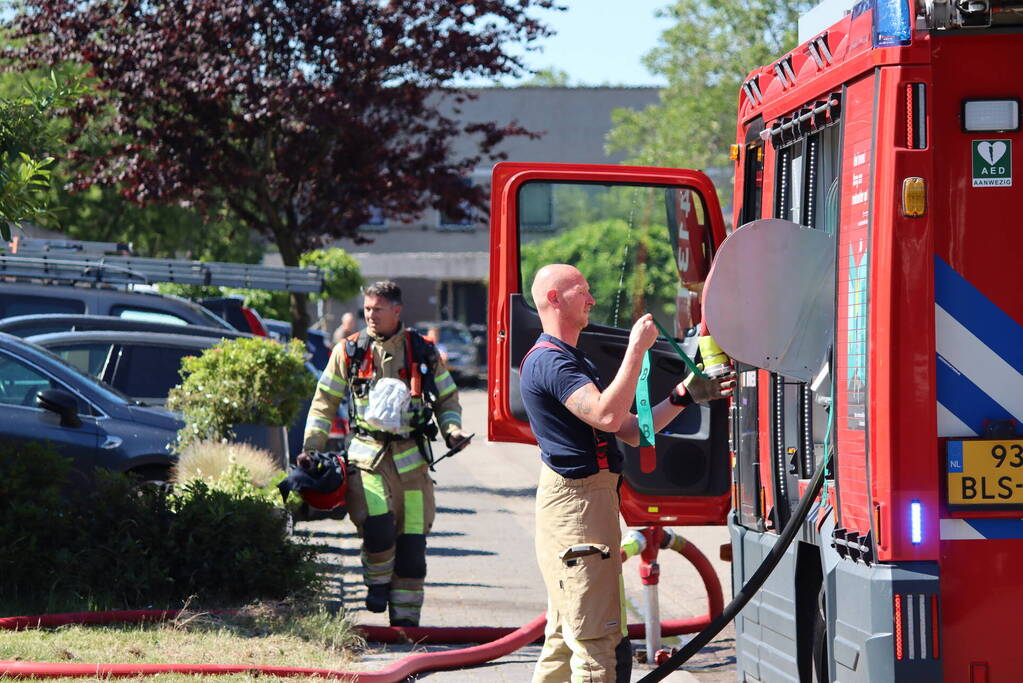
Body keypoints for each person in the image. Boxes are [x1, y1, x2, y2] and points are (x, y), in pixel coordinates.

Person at [519, 264, 734, 682]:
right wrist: (636, 349)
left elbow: (632, 430)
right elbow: (604, 413)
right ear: (554, 298)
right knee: (597, 646)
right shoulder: (552, 363)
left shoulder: (570, 361)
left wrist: (683, 395)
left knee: (566, 637)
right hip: (577, 507)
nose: (591, 300)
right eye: (582, 291)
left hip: (587, 502)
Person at [303, 281, 470, 627]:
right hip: (367, 458)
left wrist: (452, 430)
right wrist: (311, 448)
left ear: (397, 310)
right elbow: (324, 402)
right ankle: (376, 583)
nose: (370, 315)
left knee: (412, 548)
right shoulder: (348, 351)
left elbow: (447, 398)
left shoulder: (423, 351)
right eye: (367, 309)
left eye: (378, 309)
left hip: (412, 464)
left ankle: (406, 625)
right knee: (376, 525)